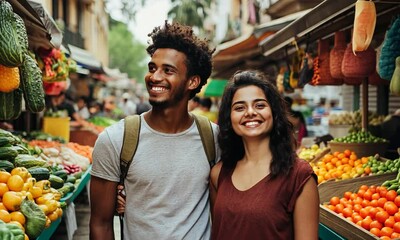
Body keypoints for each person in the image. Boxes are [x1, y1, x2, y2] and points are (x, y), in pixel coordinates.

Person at [90, 21, 218, 240]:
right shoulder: (115, 140)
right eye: (152, 68)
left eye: (168, 70)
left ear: (193, 82)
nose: (154, 77)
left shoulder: (214, 139)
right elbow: (100, 225)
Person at [210, 70, 319, 239]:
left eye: (260, 105)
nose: (250, 112)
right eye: (239, 107)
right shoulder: (219, 174)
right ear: (229, 118)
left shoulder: (299, 176)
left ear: (274, 113)